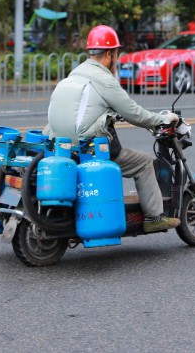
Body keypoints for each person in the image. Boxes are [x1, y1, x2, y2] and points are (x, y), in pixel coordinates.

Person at [44, 24, 181, 233]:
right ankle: (155, 218)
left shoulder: (77, 72)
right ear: (110, 53)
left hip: (59, 146)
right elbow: (134, 113)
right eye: (116, 53)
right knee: (143, 162)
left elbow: (86, 107)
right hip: (85, 149)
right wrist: (160, 120)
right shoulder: (106, 80)